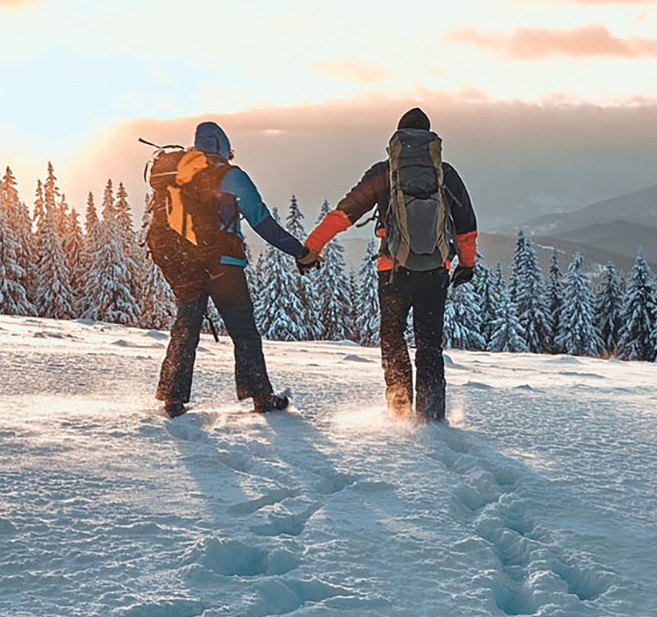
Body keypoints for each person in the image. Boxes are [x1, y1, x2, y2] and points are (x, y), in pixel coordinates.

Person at [302, 107, 479, 423]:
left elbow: (345, 213)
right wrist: (466, 264)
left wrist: (312, 247)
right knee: (429, 345)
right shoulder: (445, 174)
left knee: (393, 338)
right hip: (435, 271)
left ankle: (399, 412)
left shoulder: (384, 173)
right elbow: (466, 224)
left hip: (393, 272)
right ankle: (431, 417)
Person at [144, 121, 307, 417]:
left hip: (186, 266)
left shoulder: (179, 176)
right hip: (224, 267)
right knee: (244, 331)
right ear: (223, 147)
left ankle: (172, 397)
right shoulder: (232, 176)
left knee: (185, 329)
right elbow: (262, 223)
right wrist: (300, 251)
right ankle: (260, 397)